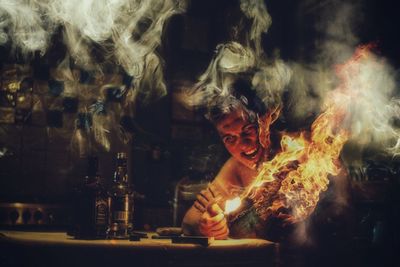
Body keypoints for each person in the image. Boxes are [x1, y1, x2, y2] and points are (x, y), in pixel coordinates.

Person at [181, 78, 283, 240]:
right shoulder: (236, 168)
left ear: (264, 122)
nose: (242, 145)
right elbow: (189, 221)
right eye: (229, 138)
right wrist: (208, 226)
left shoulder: (294, 150)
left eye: (248, 130)